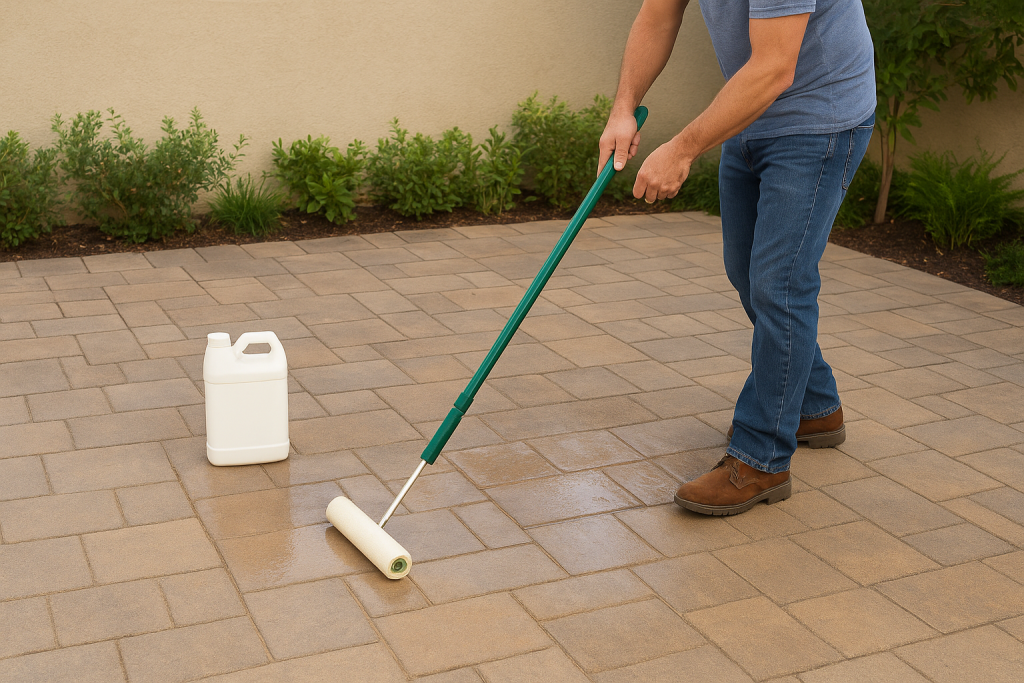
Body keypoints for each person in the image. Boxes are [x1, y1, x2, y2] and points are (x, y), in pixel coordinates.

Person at [599, 0, 875, 515]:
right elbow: (659, 15)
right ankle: (815, 406)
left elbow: (774, 67)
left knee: (780, 285)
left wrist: (681, 149)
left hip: (817, 117)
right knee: (748, 273)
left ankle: (760, 458)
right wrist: (623, 107)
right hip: (751, 113)